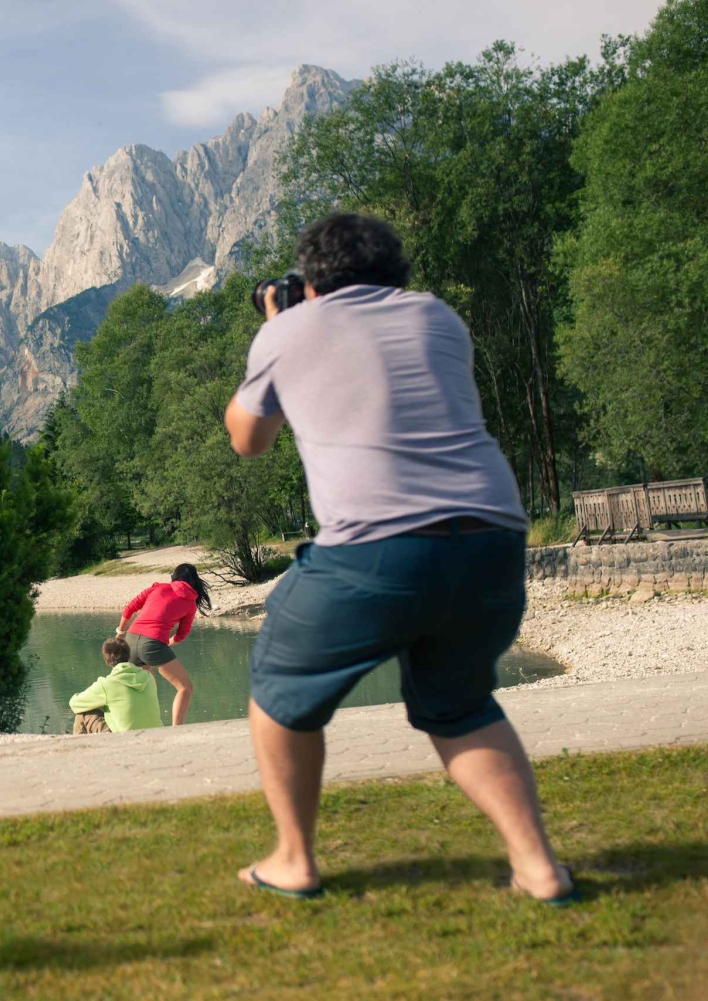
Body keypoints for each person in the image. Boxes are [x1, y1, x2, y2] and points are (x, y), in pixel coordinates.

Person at [224, 212, 574, 904]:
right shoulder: (439, 317)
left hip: (375, 549)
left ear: (313, 282)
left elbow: (248, 439)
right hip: (494, 539)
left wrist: (274, 322)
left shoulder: (287, 329)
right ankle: (539, 866)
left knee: (280, 690)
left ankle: (295, 858)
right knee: (460, 703)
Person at [115, 563, 212, 726]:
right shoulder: (190, 603)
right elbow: (181, 635)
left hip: (131, 639)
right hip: (152, 643)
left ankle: (144, 724)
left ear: (174, 577)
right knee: (185, 688)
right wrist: (166, 643)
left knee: (148, 689)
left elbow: (130, 608)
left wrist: (120, 632)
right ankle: (176, 728)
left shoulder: (157, 588)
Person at [68, 636, 163, 734]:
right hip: (156, 734)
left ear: (106, 660)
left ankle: (78, 748)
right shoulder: (148, 677)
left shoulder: (106, 685)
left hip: (127, 740)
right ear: (128, 656)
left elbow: (74, 703)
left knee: (83, 713)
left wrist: (100, 702)